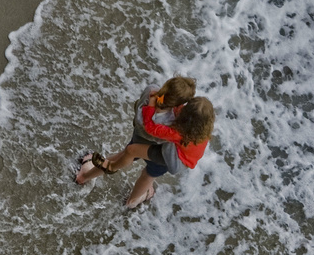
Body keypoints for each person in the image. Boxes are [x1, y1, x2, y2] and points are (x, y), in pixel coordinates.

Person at [76, 85, 215, 208]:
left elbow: (150, 127)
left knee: (129, 153)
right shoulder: (202, 131)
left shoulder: (177, 133)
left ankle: (85, 176)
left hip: (171, 157)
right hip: (177, 158)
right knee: (148, 175)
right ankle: (133, 201)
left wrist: (153, 103)